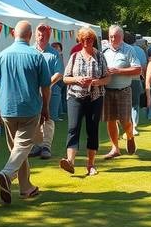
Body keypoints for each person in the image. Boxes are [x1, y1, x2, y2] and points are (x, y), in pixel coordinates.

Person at [0, 21, 50, 204]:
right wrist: (46, 107)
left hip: (7, 109)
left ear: (13, 34)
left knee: (18, 149)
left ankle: (26, 188)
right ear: (30, 35)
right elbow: (45, 86)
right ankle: (7, 174)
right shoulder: (36, 56)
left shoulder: (1, 56)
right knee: (22, 148)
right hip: (29, 108)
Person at [60, 26, 110, 176]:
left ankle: (91, 164)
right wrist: (78, 79)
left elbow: (107, 77)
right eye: (84, 39)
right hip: (75, 96)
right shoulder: (74, 56)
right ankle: (70, 161)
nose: (87, 42)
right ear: (80, 40)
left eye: (90, 39)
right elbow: (65, 78)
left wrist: (96, 82)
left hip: (95, 97)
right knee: (73, 127)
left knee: (92, 129)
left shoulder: (100, 56)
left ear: (93, 40)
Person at [102, 25, 142, 159]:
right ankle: (115, 148)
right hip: (107, 90)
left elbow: (138, 70)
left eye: (116, 36)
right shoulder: (104, 50)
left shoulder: (128, 50)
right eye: (111, 36)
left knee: (125, 120)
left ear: (122, 37)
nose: (113, 39)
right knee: (110, 120)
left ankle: (130, 136)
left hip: (123, 90)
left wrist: (118, 71)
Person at [31, 24, 64, 160]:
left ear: (49, 36)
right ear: (34, 35)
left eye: (44, 34)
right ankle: (37, 145)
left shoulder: (54, 53)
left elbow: (59, 73)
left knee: (48, 119)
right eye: (39, 34)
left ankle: (46, 147)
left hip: (51, 91)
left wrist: (46, 84)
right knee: (34, 118)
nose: (41, 37)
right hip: (32, 92)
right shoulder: (30, 51)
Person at [51, 41, 67, 120]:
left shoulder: (59, 56)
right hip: (57, 81)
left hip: (61, 80)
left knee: (59, 97)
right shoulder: (56, 57)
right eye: (55, 48)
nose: (57, 50)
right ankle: (55, 116)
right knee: (57, 97)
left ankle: (59, 113)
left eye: (58, 48)